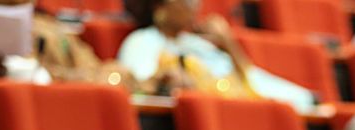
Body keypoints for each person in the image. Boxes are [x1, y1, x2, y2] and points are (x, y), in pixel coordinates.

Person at [118, 0, 315, 110]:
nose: (195, 5)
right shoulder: (141, 42)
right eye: (186, 1)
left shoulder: (199, 44)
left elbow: (251, 81)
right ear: (159, 8)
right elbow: (143, 91)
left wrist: (229, 44)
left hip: (237, 109)